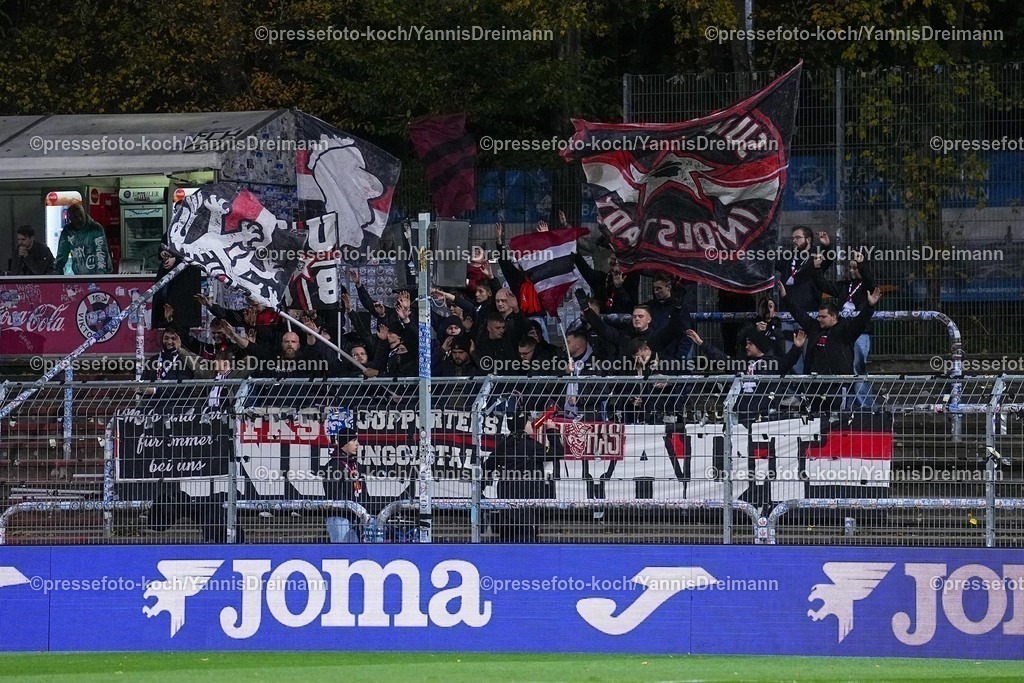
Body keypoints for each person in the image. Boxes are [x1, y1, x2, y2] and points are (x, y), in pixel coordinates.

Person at [780, 278, 881, 413]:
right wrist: (785, 298)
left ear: (833, 317)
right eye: (819, 316)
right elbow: (799, 314)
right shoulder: (814, 327)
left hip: (837, 385)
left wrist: (869, 306)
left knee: (836, 418)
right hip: (815, 384)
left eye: (823, 316)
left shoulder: (845, 331)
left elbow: (861, 321)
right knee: (814, 417)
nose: (819, 319)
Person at [323, 425, 363, 543]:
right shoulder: (333, 465)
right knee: (341, 554)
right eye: (353, 440)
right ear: (344, 443)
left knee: (355, 554)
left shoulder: (355, 464)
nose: (357, 444)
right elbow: (333, 494)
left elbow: (363, 490)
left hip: (356, 517)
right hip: (340, 517)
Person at [151, 249, 202, 338]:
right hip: (168, 285)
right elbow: (163, 245)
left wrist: (176, 260)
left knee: (182, 324)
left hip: (185, 284)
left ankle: (181, 347)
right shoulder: (169, 234)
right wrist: (163, 253)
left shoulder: (195, 236)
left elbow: (196, 253)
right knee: (167, 321)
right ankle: (169, 347)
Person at [54, 202, 112, 275]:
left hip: (98, 274)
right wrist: (57, 270)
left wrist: (100, 275)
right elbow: (62, 254)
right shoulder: (67, 231)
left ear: (85, 214)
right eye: (75, 217)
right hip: (79, 275)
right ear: (70, 219)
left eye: (81, 215)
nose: (79, 219)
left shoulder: (96, 228)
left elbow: (101, 252)